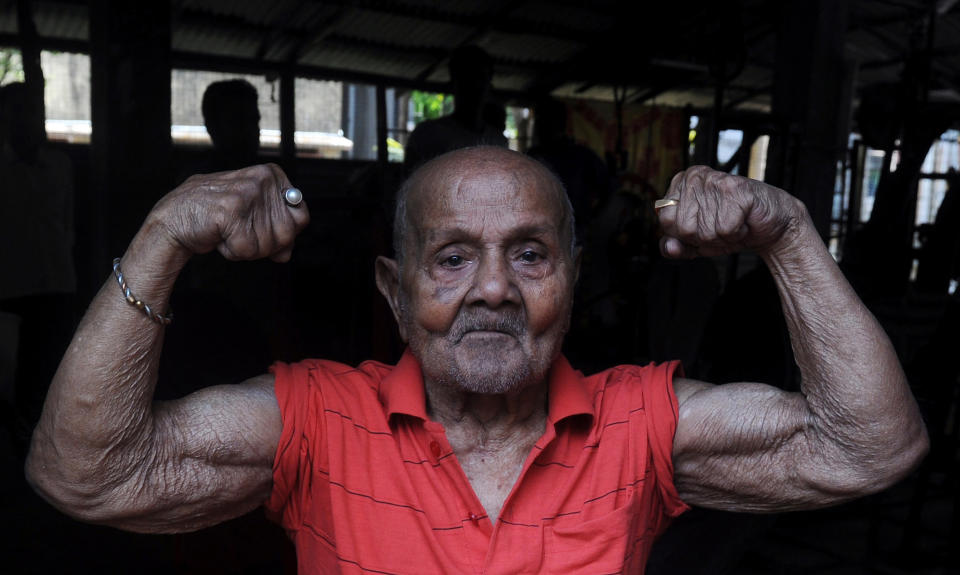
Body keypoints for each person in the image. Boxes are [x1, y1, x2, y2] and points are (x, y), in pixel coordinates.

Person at [25, 147, 928, 573]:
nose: (494, 288)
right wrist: (161, 238)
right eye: (452, 257)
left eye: (530, 254)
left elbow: (870, 447)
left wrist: (788, 233)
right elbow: (87, 476)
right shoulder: (318, 420)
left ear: (571, 281)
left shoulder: (640, 423)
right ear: (393, 285)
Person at [403, 46, 507, 170]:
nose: (474, 85)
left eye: (480, 77)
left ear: (489, 84)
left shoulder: (497, 141)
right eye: (467, 78)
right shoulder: (428, 135)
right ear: (454, 83)